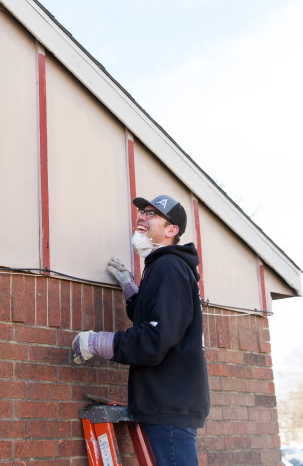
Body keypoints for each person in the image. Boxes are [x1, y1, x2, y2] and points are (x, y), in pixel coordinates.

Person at [71, 194, 210, 466]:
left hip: (169, 404)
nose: (142, 217)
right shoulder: (163, 265)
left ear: (171, 230)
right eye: (142, 212)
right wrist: (131, 289)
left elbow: (157, 337)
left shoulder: (169, 266)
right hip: (167, 401)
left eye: (152, 214)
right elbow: (158, 318)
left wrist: (99, 343)